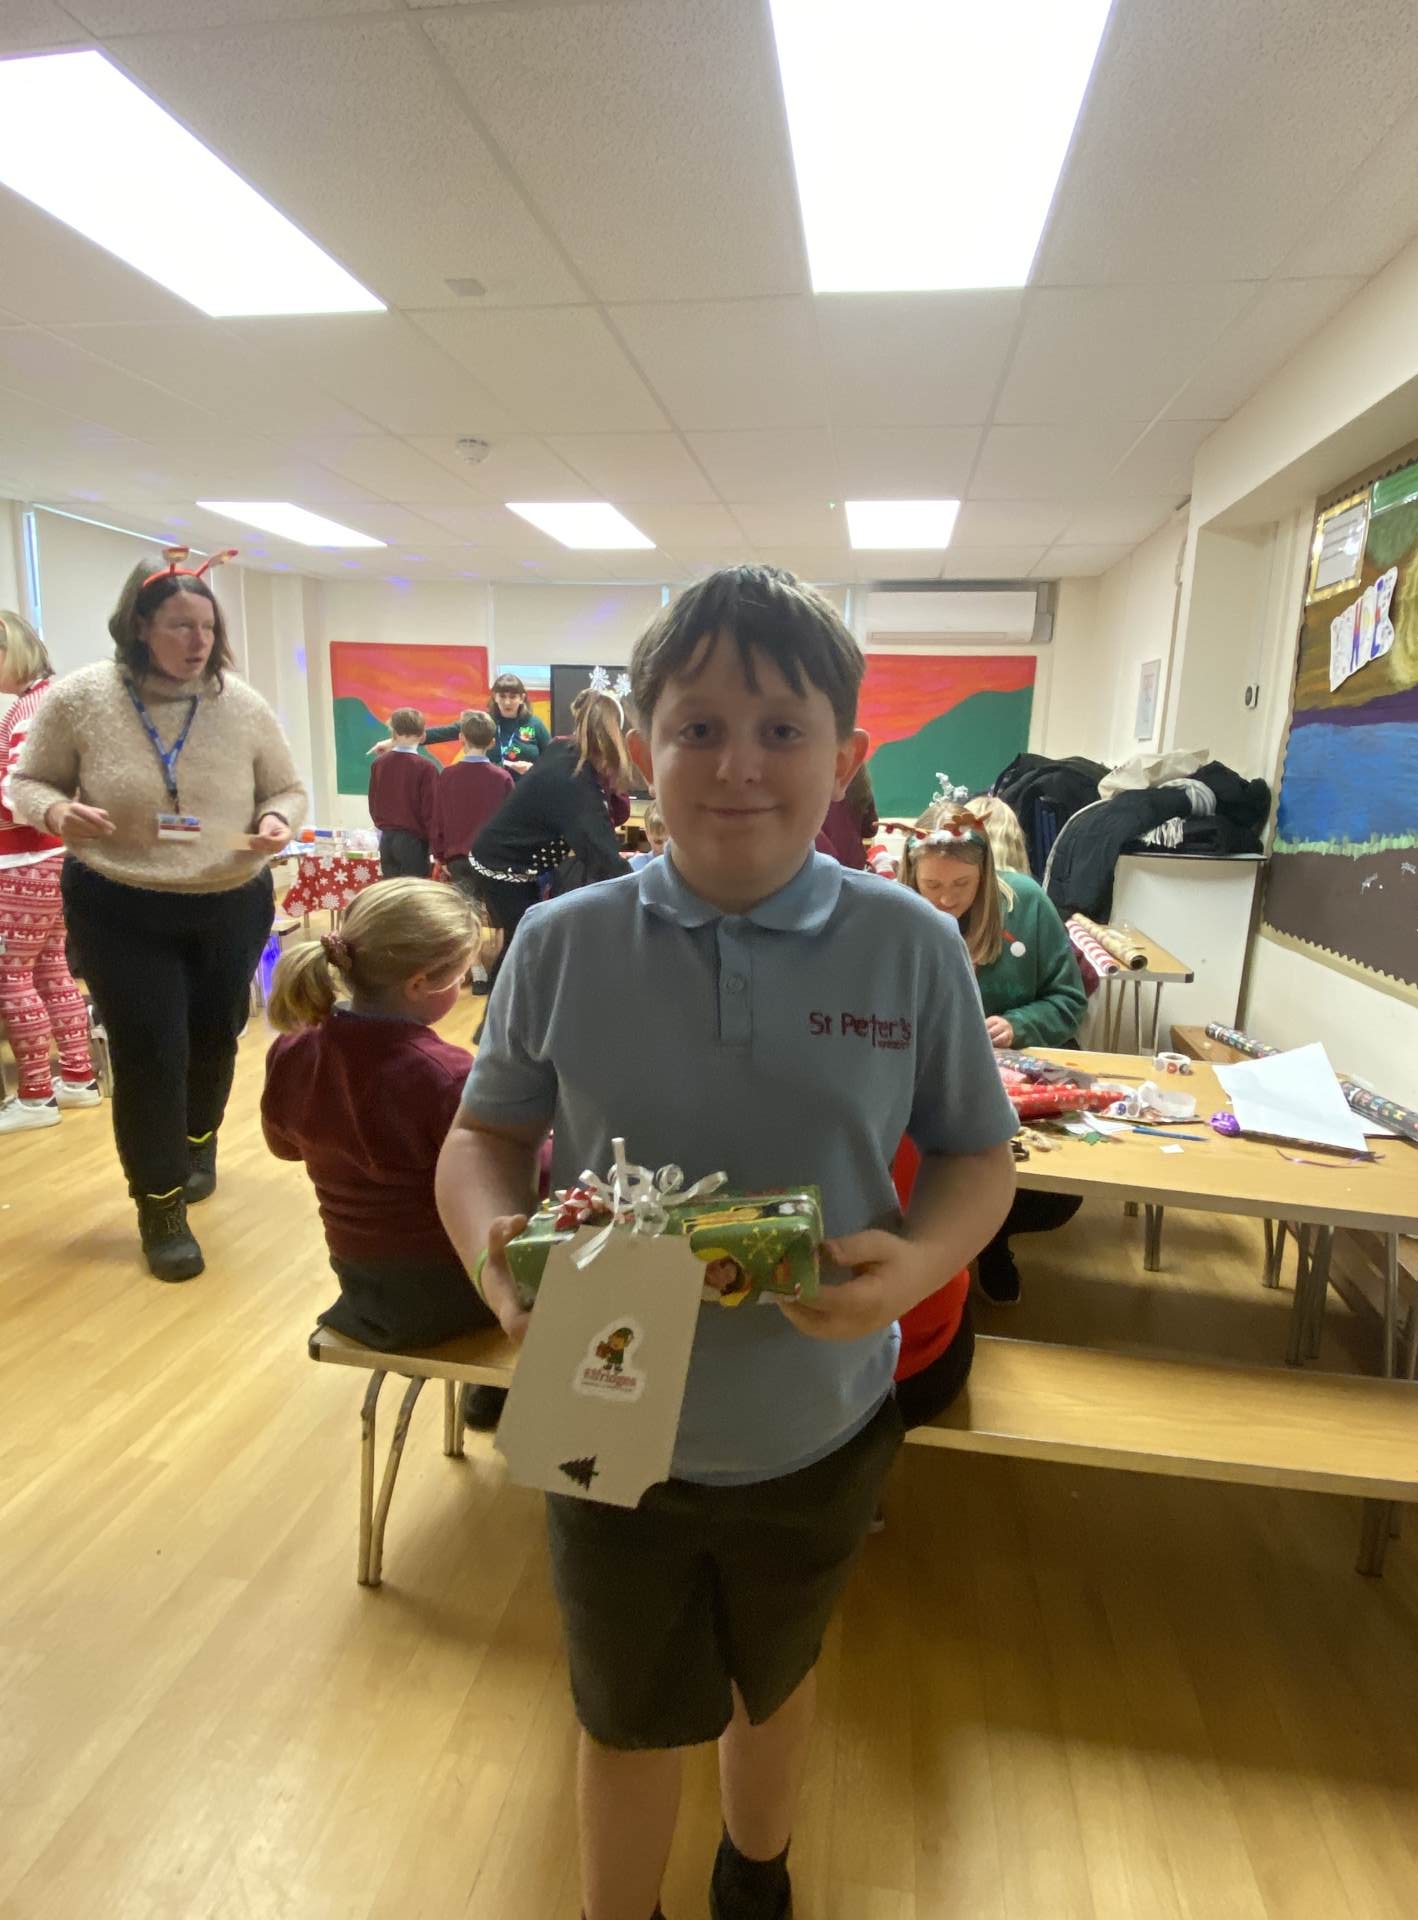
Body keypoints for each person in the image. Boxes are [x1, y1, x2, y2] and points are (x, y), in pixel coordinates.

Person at [436, 564, 1017, 1920]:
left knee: (777, 1674)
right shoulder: (561, 941)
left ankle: (758, 1871)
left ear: (845, 758)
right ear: (641, 752)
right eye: (698, 727)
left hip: (816, 1411)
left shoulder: (912, 944)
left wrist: (921, 1264)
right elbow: (483, 1139)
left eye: (781, 729)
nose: (738, 764)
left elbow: (979, 1158)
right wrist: (490, 1257)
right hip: (597, 1394)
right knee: (624, 1713)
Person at [11, 548, 305, 1282]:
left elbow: (287, 789)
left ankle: (198, 1141)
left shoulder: (241, 704)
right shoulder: (80, 698)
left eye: (208, 626)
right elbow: (28, 782)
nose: (198, 641)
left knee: (214, 1037)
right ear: (140, 626)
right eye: (180, 625)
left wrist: (277, 820)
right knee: (150, 1052)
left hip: (229, 899)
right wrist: (55, 811)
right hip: (120, 902)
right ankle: (160, 1206)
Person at [261, 878, 505, 1425]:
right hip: (454, 1293)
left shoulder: (293, 1048)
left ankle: (494, 1390)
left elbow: (283, 1148)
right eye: (461, 975)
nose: (462, 984)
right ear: (421, 983)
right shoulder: (445, 1075)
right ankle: (507, 1391)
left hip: (364, 1288)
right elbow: (516, 1179)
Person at [900, 804, 1085, 1306]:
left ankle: (991, 1240)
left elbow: (1069, 999)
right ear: (911, 874)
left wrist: (1020, 1024)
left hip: (1011, 1077)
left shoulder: (1026, 903)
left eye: (962, 885)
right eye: (932, 885)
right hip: (923, 1080)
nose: (946, 899)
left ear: (985, 873)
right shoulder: (893, 913)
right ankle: (943, 1254)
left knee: (1055, 1195)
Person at [0, 611, 99, 1133]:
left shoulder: (30, 710)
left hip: (22, 861)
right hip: (51, 859)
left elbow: (24, 798)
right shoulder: (45, 702)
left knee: (12, 976)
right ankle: (78, 1078)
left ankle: (36, 1095)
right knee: (51, 969)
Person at [465, 688, 630, 997]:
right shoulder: (576, 782)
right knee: (525, 943)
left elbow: (606, 823)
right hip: (502, 866)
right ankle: (501, 1013)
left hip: (504, 859)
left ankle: (505, 1008)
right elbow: (604, 854)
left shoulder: (564, 751)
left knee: (523, 940)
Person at [376, 672, 553, 775]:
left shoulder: (534, 724)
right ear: (494, 697)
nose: (507, 702)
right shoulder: (483, 721)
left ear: (522, 698)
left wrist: (534, 769)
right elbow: (441, 733)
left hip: (524, 795)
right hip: (489, 792)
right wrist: (394, 742)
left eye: (513, 697)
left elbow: (553, 757)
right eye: (502, 696)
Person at [433, 710, 514, 896]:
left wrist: (439, 855)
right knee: (490, 910)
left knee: (465, 908)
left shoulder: (447, 776)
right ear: (492, 742)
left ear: (461, 738)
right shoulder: (503, 778)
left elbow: (437, 818)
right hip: (491, 858)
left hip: (457, 858)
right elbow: (511, 821)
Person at [368, 707, 437, 879]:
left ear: (393, 733)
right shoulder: (426, 768)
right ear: (422, 735)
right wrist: (436, 846)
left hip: (386, 839)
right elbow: (431, 811)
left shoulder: (379, 764)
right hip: (413, 841)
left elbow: (373, 803)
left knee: (392, 890)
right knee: (413, 890)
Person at [819, 762, 878, 870]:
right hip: (853, 864)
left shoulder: (812, 781)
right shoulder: (861, 783)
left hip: (820, 865)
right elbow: (870, 829)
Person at [626, 801, 667, 869]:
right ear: (647, 834)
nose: (664, 848)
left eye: (672, 843)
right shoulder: (635, 865)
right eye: (658, 842)